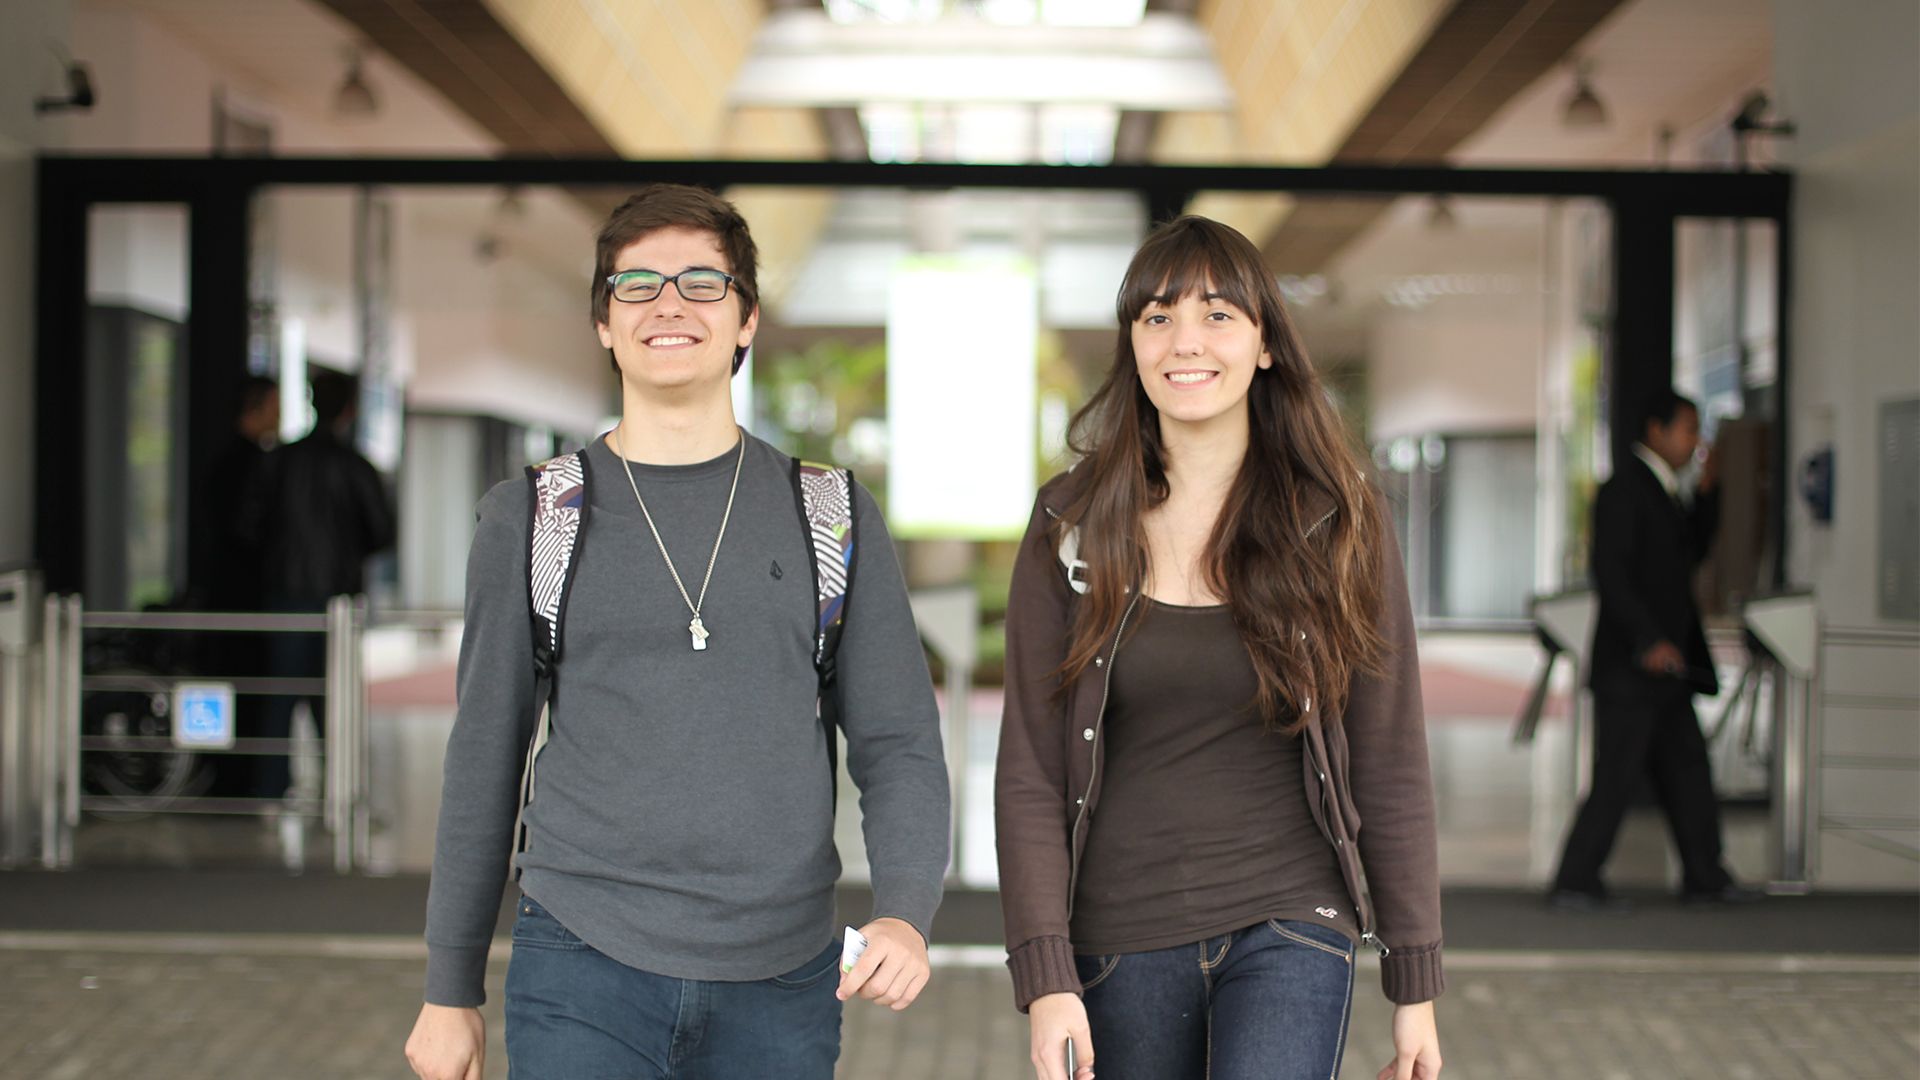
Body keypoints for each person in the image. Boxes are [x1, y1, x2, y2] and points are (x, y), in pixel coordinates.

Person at [405, 184, 951, 1080]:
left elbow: (898, 741)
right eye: (637, 285)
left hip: (782, 975)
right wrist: (448, 987)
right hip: (581, 960)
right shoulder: (536, 516)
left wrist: (905, 910)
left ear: (745, 321)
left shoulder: (830, 513)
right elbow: (484, 757)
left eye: (703, 282)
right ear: (604, 324)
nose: (669, 303)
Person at [995, 216, 1444, 1080]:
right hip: (1118, 933)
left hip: (1291, 914)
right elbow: (1030, 769)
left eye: (1218, 315)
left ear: (1266, 343)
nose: (1184, 341)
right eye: (1157, 317)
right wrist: (1046, 973)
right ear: (1131, 345)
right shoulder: (1070, 526)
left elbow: (1388, 751)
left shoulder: (1338, 520)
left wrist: (1414, 982)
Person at [1549, 390, 1761, 911]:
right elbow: (1613, 573)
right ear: (1657, 430)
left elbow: (1686, 552)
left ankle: (1705, 875)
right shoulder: (1625, 489)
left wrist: (1708, 497)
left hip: (1664, 670)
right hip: (1633, 666)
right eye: (1688, 429)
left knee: (1688, 767)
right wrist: (1648, 638)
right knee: (1617, 775)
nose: (1695, 441)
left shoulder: (1668, 490)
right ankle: (1575, 879)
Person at [241, 370, 395, 801]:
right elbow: (383, 530)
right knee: (336, 696)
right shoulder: (356, 466)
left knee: (281, 692)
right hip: (338, 600)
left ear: (310, 402)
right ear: (350, 408)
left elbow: (248, 524)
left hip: (284, 593)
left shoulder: (279, 461)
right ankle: (340, 791)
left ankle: (271, 791)